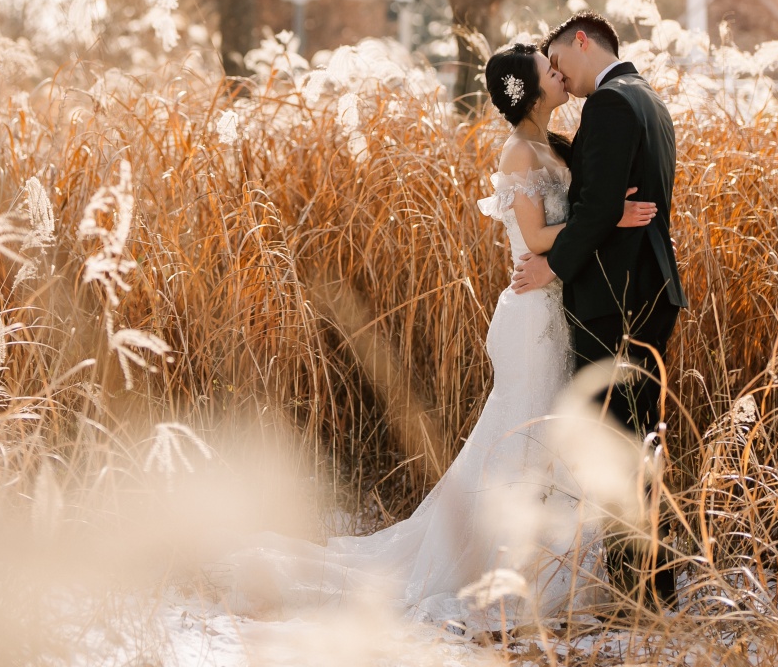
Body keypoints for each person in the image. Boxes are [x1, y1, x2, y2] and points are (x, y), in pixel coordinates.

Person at [222, 41, 655, 631]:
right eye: (548, 70)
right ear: (525, 90)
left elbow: (583, 216)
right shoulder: (517, 156)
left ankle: (546, 561)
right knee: (522, 438)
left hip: (559, 310)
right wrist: (605, 219)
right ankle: (491, 564)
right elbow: (533, 238)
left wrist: (609, 214)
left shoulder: (555, 148)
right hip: (532, 316)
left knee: (549, 439)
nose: (560, 75)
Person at [511, 11, 684, 604]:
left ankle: (639, 593)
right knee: (638, 441)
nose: (557, 72)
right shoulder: (647, 98)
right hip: (647, 291)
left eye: (558, 60)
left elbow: (597, 205)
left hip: (615, 296)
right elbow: (608, 202)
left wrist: (550, 267)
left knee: (614, 443)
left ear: (582, 41)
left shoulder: (611, 104)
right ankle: (653, 588)